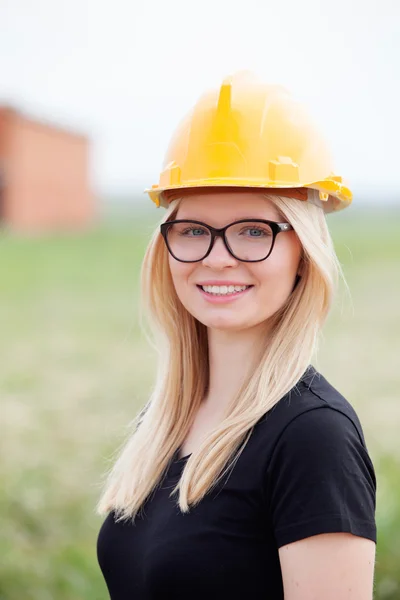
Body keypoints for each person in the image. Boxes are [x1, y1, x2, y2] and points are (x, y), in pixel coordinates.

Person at [96, 72, 377, 599]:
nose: (216, 257)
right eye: (193, 230)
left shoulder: (313, 438)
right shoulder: (165, 420)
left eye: (253, 230)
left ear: (303, 254)